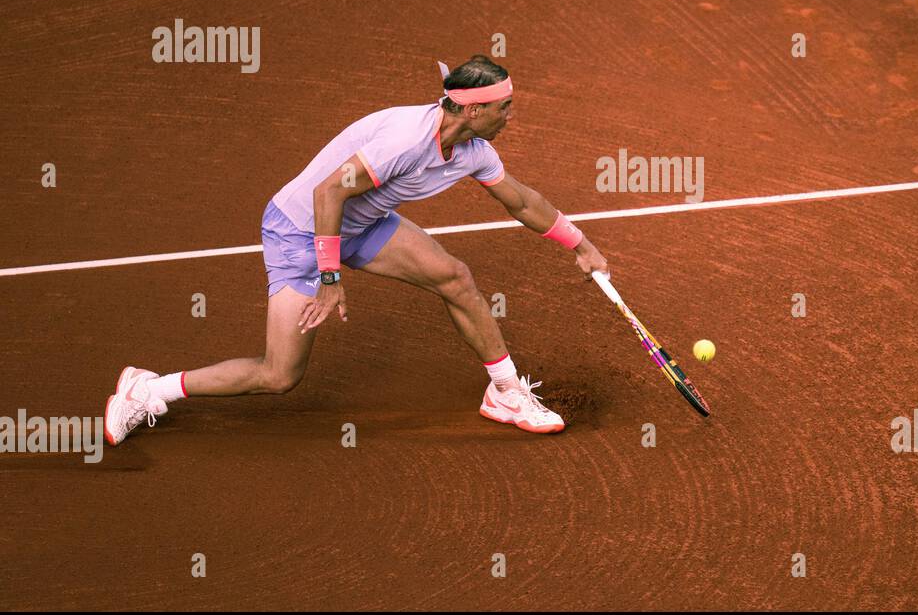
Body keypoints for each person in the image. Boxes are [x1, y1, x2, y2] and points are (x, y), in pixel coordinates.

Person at [104, 55, 608, 444]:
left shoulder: (474, 151)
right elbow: (329, 192)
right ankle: (150, 390)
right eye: (504, 107)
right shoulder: (404, 141)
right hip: (300, 232)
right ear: (474, 108)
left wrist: (580, 244)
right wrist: (329, 277)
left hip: (362, 222)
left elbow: (521, 200)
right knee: (279, 376)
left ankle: (504, 393)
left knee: (454, 277)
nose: (510, 117)